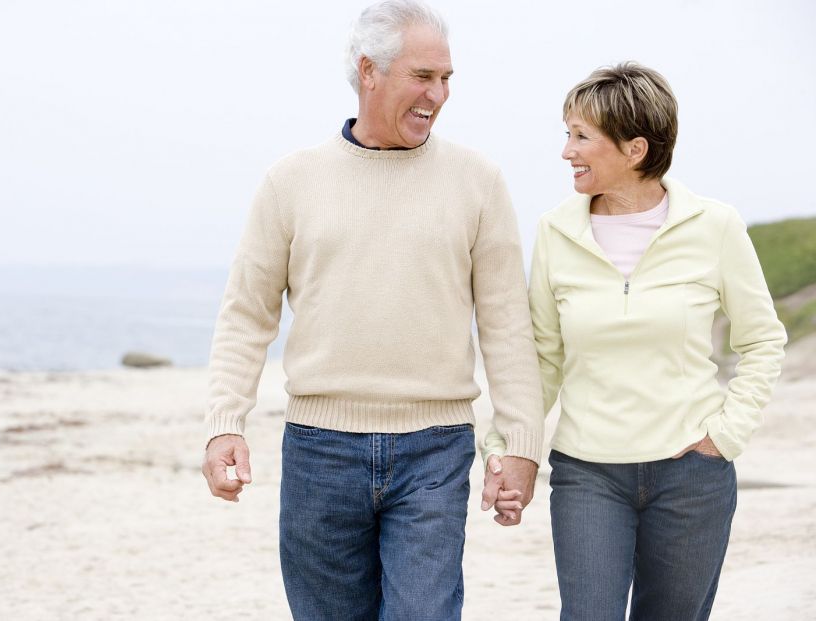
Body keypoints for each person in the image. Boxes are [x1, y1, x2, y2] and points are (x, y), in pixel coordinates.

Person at [200, 1, 543, 619]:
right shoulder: (290, 182)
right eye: (423, 76)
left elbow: (507, 325)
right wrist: (225, 424)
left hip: (436, 449)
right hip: (319, 451)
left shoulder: (479, 181)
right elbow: (246, 316)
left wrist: (520, 443)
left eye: (446, 78)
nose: (438, 94)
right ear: (368, 71)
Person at [484, 61, 786, 619]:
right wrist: (506, 446)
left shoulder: (715, 226)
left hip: (691, 475)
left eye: (582, 137)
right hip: (588, 474)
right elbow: (542, 359)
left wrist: (725, 435)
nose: (566, 151)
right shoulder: (556, 232)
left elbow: (763, 341)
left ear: (635, 149)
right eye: (567, 134)